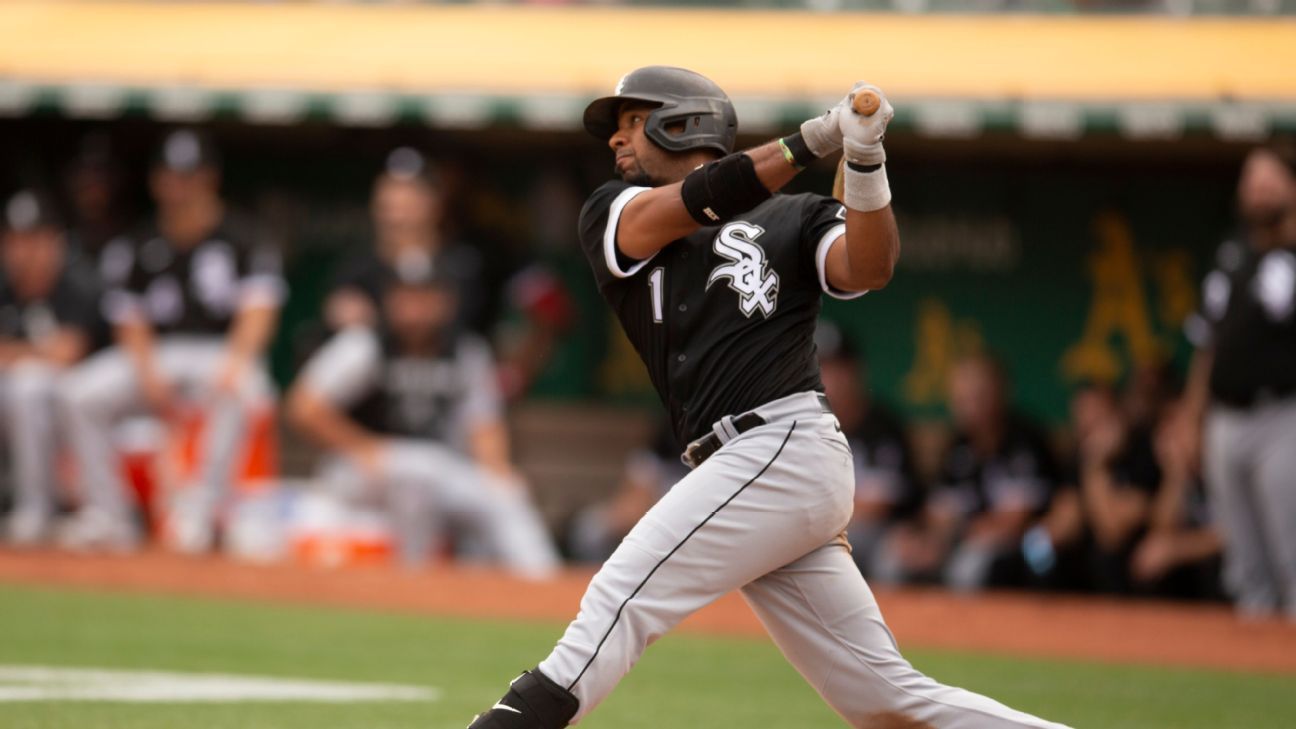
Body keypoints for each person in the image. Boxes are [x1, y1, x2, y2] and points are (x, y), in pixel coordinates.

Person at [466, 66, 1069, 729]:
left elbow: (869, 265)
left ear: (684, 121)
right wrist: (813, 141)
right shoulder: (612, 210)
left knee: (620, 599)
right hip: (748, 468)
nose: (616, 141)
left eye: (632, 122)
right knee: (884, 701)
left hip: (780, 444)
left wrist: (864, 159)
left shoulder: (794, 216)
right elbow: (697, 201)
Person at [60, 129, 284, 553]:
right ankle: (109, 516)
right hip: (158, 356)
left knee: (245, 387)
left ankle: (201, 510)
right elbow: (130, 321)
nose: (180, 187)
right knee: (80, 394)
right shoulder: (138, 242)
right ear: (157, 181)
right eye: (172, 176)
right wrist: (147, 374)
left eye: (190, 176)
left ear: (209, 179)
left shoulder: (244, 237)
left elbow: (259, 313)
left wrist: (234, 364)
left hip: (218, 351)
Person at [286, 251, 558, 577]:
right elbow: (302, 406)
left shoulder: (465, 351)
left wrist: (498, 470)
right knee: (415, 471)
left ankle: (546, 584)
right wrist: (360, 445)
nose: (415, 308)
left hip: (436, 469)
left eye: (425, 297)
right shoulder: (366, 345)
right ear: (389, 300)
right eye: (406, 297)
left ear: (445, 302)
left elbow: (484, 424)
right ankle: (413, 584)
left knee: (505, 491)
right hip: (361, 470)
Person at [1182, 141, 1296, 619]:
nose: (1258, 192)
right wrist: (1191, 417)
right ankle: (1254, 664)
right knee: (1245, 564)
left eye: (1270, 181)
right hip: (1227, 418)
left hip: (1283, 416)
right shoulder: (1232, 254)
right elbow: (1208, 345)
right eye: (1252, 182)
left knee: (1290, 549)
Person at [878, 354, 1059, 591]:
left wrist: (954, 539)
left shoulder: (1025, 442)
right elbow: (940, 511)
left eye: (976, 397)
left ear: (999, 393)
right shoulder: (958, 446)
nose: (967, 407)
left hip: (1028, 547)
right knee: (893, 556)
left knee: (968, 565)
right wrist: (927, 541)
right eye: (960, 399)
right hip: (964, 539)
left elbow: (1015, 521)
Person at [0, 191, 99, 545]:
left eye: (34, 239)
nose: (25, 251)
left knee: (28, 385)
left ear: (54, 241)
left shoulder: (77, 281)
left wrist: (14, 354)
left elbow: (66, 353)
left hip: (71, 405)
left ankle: (35, 510)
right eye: (15, 239)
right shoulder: (5, 287)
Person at [323, 147, 486, 333]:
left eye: (407, 206)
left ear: (434, 206)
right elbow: (336, 312)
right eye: (387, 207)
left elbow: (468, 320)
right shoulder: (357, 265)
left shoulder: (461, 263)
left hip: (444, 360)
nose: (396, 218)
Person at [815, 323, 922, 578]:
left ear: (856, 371)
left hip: (886, 532)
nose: (828, 379)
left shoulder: (882, 427)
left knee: (886, 556)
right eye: (820, 369)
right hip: (829, 530)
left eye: (837, 369)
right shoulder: (809, 427)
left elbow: (875, 508)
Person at [565, 419, 685, 564]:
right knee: (589, 528)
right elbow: (630, 506)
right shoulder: (656, 453)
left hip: (674, 536)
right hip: (645, 523)